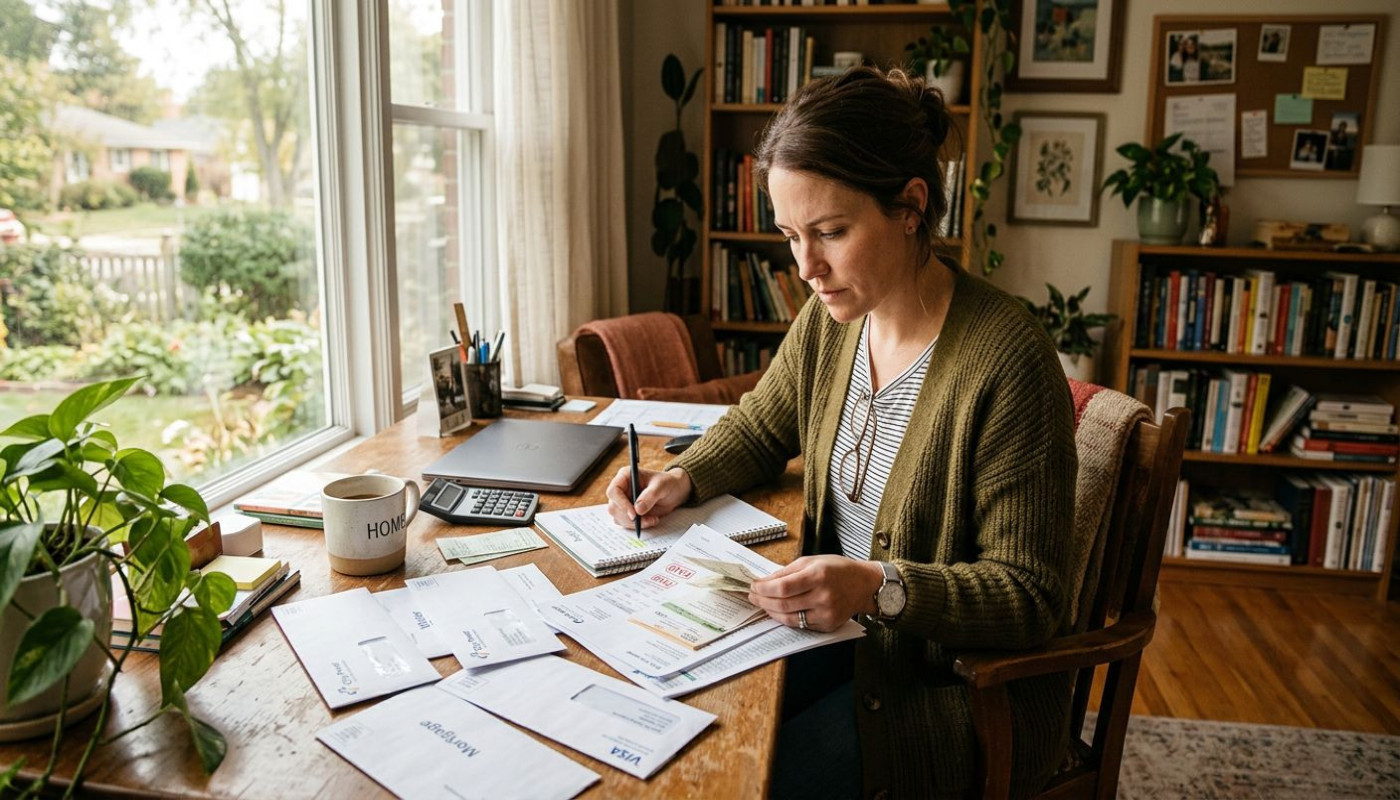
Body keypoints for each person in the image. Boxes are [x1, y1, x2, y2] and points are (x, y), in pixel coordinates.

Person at [605, 66, 1076, 799]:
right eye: (792, 236)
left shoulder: (1007, 360)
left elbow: (1030, 595)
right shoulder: (831, 322)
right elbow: (765, 423)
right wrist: (682, 477)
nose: (806, 268)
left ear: (911, 206)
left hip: (941, 688)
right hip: (837, 637)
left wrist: (879, 587)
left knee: (742, 782)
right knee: (672, 727)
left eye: (830, 232)